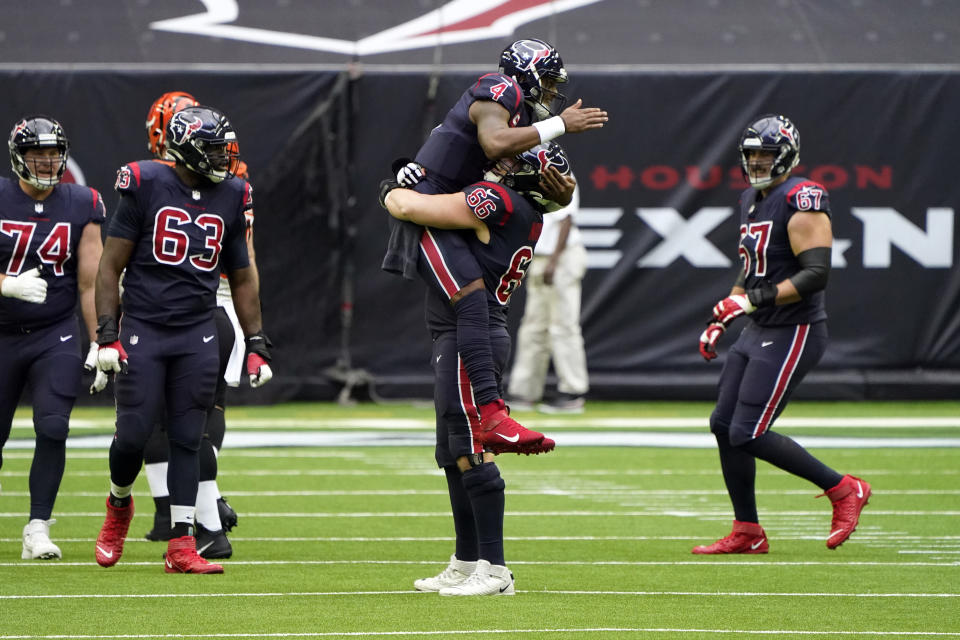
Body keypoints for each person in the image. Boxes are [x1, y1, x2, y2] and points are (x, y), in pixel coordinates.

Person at [383, 38, 607, 454]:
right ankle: (492, 412)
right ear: (528, 74)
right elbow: (495, 145)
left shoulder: (508, 199)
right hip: (435, 209)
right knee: (471, 298)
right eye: (551, 83)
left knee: (471, 302)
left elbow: (499, 154)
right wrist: (560, 127)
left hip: (435, 207)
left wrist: (395, 187)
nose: (554, 96)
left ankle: (490, 412)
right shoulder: (500, 90)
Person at [382, 142, 575, 596]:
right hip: (465, 334)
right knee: (453, 452)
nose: (499, 164)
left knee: (472, 449)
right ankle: (467, 559)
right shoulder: (525, 208)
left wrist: (394, 184)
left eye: (512, 163)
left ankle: (496, 568)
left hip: (473, 336)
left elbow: (412, 207)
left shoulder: (503, 201)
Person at [93, 105, 273, 574]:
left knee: (189, 439)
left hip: (197, 329)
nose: (223, 157)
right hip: (145, 327)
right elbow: (109, 266)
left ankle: (182, 543)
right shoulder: (145, 182)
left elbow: (241, 273)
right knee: (133, 434)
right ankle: (118, 506)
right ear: (187, 147)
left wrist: (257, 342)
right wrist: (107, 334)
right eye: (214, 148)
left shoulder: (233, 194)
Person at [694, 114, 870, 554]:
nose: (756, 161)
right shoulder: (751, 199)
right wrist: (726, 313)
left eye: (766, 154)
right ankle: (748, 530)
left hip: (795, 329)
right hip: (760, 327)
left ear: (787, 156)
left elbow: (816, 274)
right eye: (751, 153)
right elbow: (753, 266)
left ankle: (844, 488)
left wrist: (749, 302)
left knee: (748, 431)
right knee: (723, 424)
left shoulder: (801, 197)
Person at [140, 91, 249, 559]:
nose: (220, 155)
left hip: (207, 302)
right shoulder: (147, 180)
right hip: (177, 304)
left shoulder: (229, 185)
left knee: (191, 419)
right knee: (163, 418)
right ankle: (185, 511)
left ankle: (201, 513)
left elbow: (243, 260)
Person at [0, 115, 107, 560]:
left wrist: (103, 339)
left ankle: (37, 527)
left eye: (52, 154)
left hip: (53, 331)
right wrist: (3, 284)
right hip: (2, 331)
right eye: (36, 155)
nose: (46, 163)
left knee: (53, 426)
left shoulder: (83, 202)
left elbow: (90, 282)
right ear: (18, 157)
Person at [507, 181, 588, 414]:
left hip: (561, 257)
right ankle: (525, 391)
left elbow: (566, 219)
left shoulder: (556, 170)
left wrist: (554, 260)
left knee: (563, 325)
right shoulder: (524, 171)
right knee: (533, 327)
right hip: (540, 258)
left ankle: (573, 391)